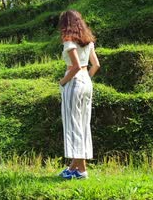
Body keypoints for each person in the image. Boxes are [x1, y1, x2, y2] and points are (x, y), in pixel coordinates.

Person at [57, 10, 100, 179]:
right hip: (86, 82)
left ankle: (78, 169)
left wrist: (62, 82)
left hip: (74, 82)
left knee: (73, 125)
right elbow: (95, 65)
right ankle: (77, 168)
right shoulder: (87, 41)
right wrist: (85, 78)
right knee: (82, 124)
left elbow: (74, 66)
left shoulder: (69, 41)